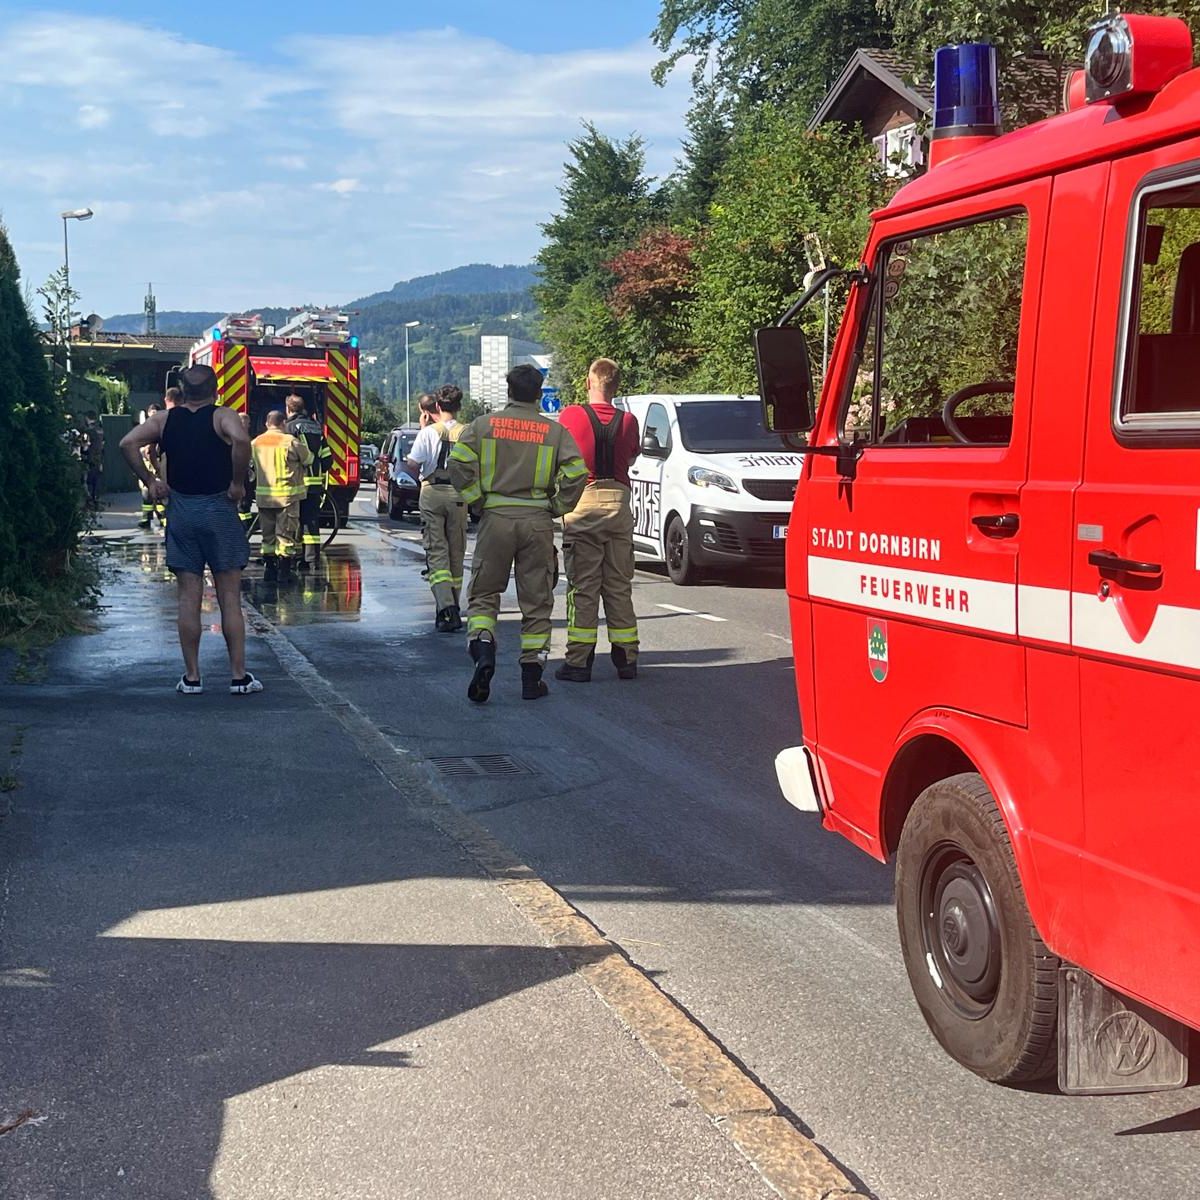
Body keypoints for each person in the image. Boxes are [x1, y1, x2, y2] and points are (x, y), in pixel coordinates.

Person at [119, 364, 261, 695]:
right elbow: (241, 439)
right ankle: (239, 677)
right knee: (228, 595)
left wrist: (151, 480)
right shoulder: (222, 416)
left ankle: (192, 677)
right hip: (219, 510)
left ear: (182, 391)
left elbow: (127, 442)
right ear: (215, 390)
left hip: (182, 511)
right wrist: (237, 483)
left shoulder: (165, 420)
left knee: (188, 595)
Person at [449, 364, 588, 703]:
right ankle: (531, 676)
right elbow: (577, 472)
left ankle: (483, 651)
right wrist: (557, 506)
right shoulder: (553, 432)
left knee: (484, 595)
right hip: (537, 521)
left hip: (496, 518)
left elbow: (457, 464)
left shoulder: (483, 426)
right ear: (539, 394)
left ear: (508, 391)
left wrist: (477, 500)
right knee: (537, 601)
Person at [555, 358, 642, 682]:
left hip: (583, 504)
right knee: (619, 584)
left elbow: (559, 456)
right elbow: (631, 456)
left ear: (588, 382)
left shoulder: (572, 416)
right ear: (616, 386)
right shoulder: (628, 421)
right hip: (618, 504)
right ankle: (627, 657)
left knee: (583, 587)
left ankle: (579, 661)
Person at [403, 383, 468, 631]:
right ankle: (454, 603)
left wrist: (423, 431)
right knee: (456, 552)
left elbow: (412, 463)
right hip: (459, 494)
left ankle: (446, 608)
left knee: (436, 551)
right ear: (459, 407)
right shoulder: (468, 432)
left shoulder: (429, 432)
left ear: (437, 407)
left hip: (432, 492)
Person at [251, 410, 312, 583]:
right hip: (287, 497)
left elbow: (250, 465)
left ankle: (269, 571)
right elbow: (308, 459)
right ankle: (285, 573)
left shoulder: (256, 442)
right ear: (283, 423)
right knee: (286, 536)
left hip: (264, 498)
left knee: (267, 536)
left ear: (266, 424)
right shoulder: (290, 442)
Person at [284, 394, 330, 569]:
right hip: (314, 485)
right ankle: (311, 559)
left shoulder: (288, 428)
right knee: (310, 521)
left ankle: (291, 557)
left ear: (288, 409)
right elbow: (327, 460)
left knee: (290, 521)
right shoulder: (316, 428)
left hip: (295, 483)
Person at [137, 401, 165, 529]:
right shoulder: (154, 428)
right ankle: (155, 518)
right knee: (151, 494)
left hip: (152, 466)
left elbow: (148, 450)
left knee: (152, 494)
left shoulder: (149, 429)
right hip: (152, 465)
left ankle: (160, 517)